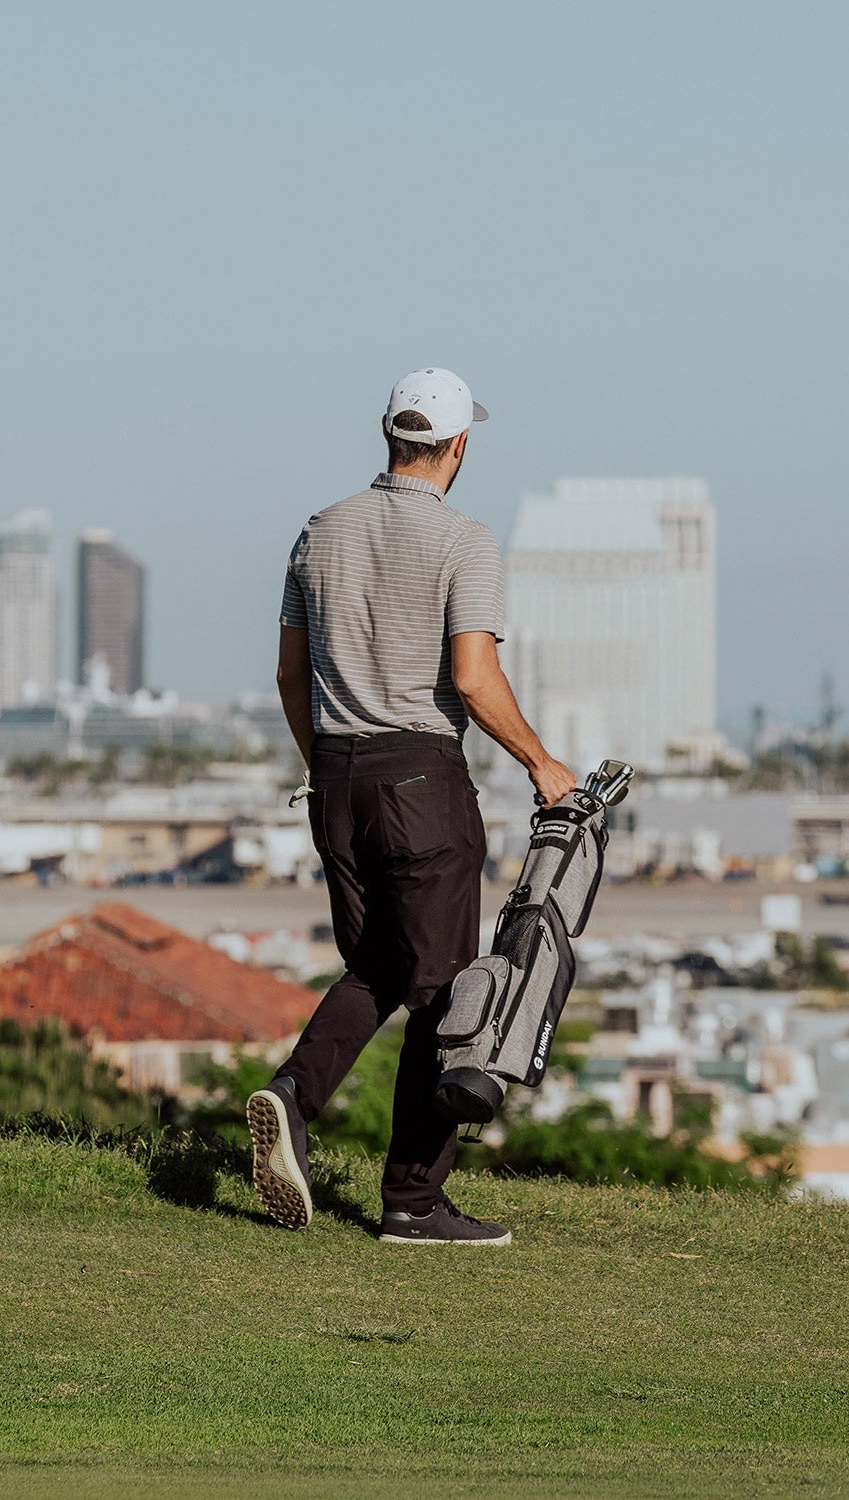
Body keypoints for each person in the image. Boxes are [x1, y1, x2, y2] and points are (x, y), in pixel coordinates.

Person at [246, 368, 576, 1245]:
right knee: (442, 993)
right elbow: (472, 677)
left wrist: (325, 767)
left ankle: (293, 1097)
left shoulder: (319, 532)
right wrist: (542, 761)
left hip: (336, 779)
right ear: (460, 446)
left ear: (388, 436)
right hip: (422, 780)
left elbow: (289, 674)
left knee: (385, 968)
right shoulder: (466, 543)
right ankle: (413, 1201)